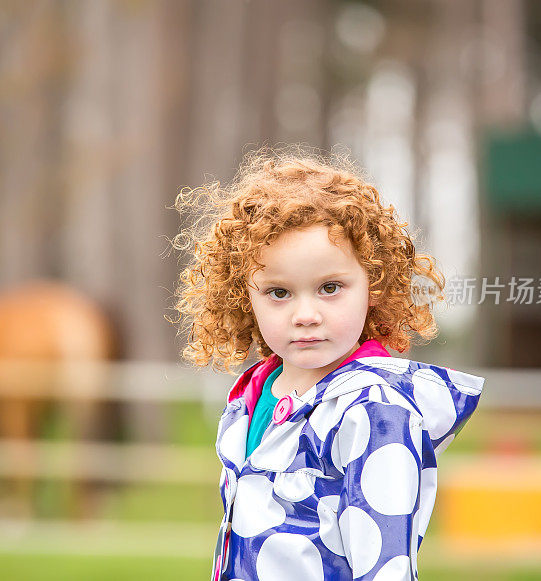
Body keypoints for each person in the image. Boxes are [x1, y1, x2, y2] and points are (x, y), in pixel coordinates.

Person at [171, 147, 484, 581]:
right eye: (279, 293)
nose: (305, 314)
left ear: (372, 286)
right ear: (246, 295)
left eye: (330, 287)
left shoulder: (374, 411)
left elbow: (385, 568)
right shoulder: (252, 397)